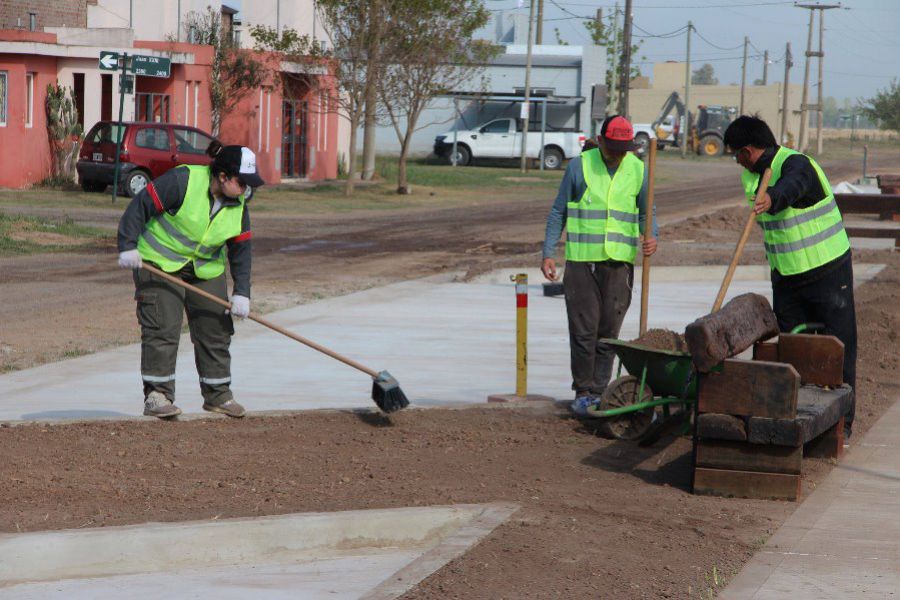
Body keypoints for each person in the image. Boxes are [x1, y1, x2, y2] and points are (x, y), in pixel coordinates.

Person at [723, 115, 857, 439]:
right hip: (786, 276)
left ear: (750, 149)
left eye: (736, 154)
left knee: (837, 347)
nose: (736, 161)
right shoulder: (750, 177)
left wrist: (773, 198)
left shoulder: (797, 164)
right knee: (793, 348)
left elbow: (793, 185)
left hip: (827, 271)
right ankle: (799, 418)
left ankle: (841, 426)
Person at [117, 142, 265, 419]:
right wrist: (127, 245)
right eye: (242, 182)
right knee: (162, 326)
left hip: (205, 270)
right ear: (222, 176)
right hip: (159, 263)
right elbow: (140, 206)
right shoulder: (182, 181)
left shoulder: (239, 205)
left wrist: (242, 293)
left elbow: (241, 251)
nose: (246, 189)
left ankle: (218, 395)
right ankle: (157, 395)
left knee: (216, 327)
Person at [542, 115, 658, 415]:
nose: (619, 154)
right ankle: (583, 392)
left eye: (624, 148)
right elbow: (558, 212)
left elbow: (647, 211)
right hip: (582, 263)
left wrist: (651, 236)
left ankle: (600, 389)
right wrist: (548, 252)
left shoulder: (638, 169)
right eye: (614, 147)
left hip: (619, 263)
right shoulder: (579, 166)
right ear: (601, 139)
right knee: (584, 331)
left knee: (608, 333)